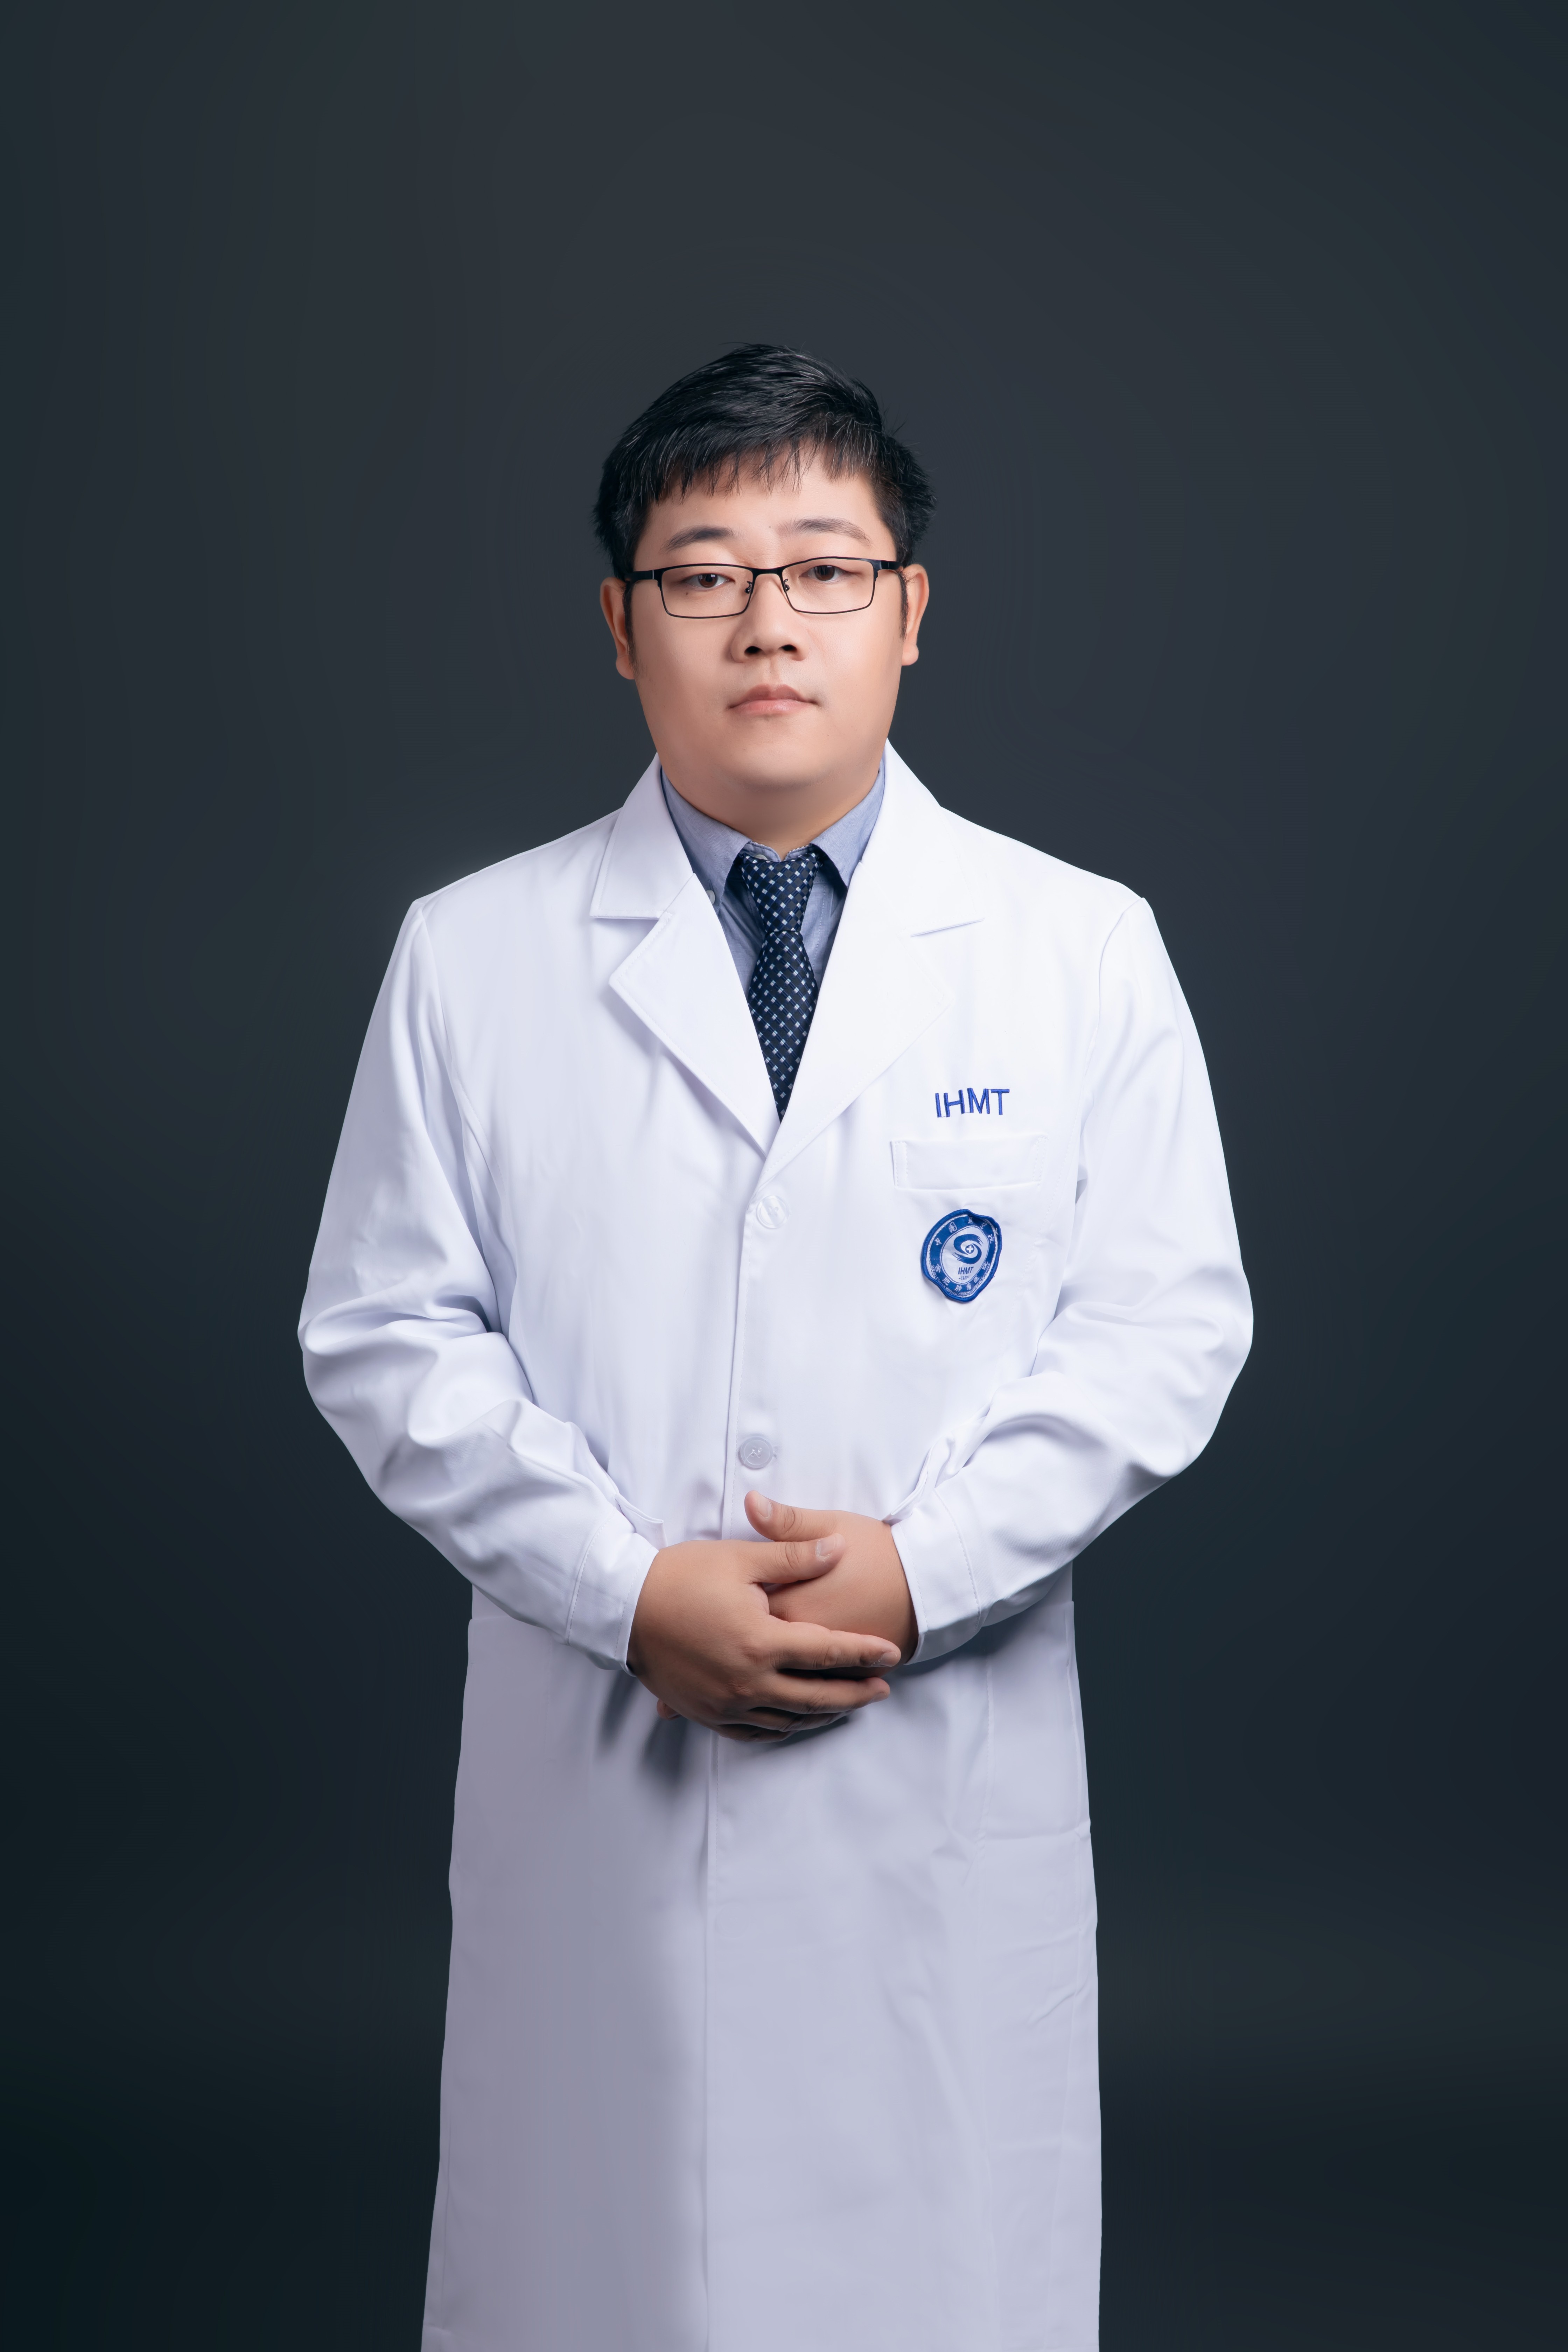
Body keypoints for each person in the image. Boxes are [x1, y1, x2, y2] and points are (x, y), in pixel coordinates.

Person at [299, 344, 1252, 2352]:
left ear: (911, 610)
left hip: (936, 1779)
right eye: (705, 575)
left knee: (934, 2278)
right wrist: (626, 1588)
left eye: (823, 567)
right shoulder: (471, 956)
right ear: (619, 626)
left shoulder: (1079, 949)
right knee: (601, 2269)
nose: (766, 622)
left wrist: (924, 1570)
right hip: (607, 1773)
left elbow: (1166, 1323)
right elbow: (387, 1333)